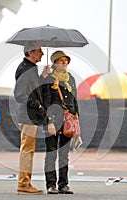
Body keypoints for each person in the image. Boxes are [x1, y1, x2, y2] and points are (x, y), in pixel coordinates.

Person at [42, 50, 79, 194]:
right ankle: (51, 184)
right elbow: (44, 101)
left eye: (66, 60)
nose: (64, 62)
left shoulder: (71, 79)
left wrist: (76, 121)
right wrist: (48, 122)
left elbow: (74, 102)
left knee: (64, 154)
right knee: (51, 153)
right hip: (52, 121)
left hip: (68, 121)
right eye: (60, 60)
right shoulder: (47, 78)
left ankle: (63, 184)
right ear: (54, 63)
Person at [14, 41, 46, 194]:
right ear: (31, 52)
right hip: (28, 115)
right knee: (27, 149)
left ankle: (25, 182)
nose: (42, 53)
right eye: (39, 50)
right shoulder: (25, 69)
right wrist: (37, 105)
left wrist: (42, 77)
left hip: (30, 115)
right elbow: (20, 94)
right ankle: (23, 184)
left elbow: (32, 89)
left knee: (28, 149)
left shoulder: (31, 69)